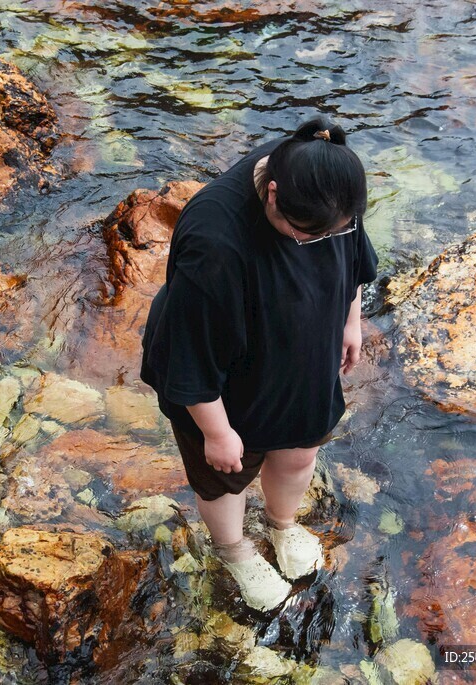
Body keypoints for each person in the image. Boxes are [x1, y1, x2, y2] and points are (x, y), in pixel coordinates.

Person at [139, 115, 379, 612]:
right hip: (226, 377)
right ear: (272, 194)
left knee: (298, 453)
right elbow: (190, 351)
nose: (315, 244)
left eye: (329, 234)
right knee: (224, 475)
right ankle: (234, 550)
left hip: (301, 358)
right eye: (303, 235)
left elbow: (351, 258)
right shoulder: (215, 241)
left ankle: (282, 524)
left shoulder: (326, 179)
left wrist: (349, 320)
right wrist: (217, 431)